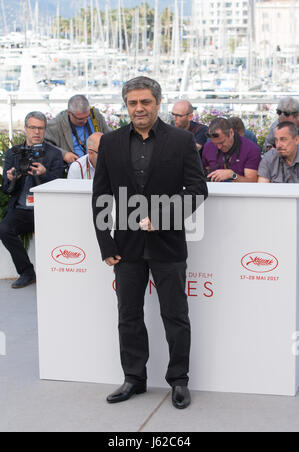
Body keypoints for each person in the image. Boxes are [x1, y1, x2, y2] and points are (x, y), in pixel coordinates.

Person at [92, 76, 208, 409]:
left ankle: (179, 381)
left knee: (175, 314)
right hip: (125, 247)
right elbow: (101, 194)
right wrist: (105, 242)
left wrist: (164, 215)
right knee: (128, 314)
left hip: (168, 244)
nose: (139, 108)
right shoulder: (111, 143)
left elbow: (198, 190)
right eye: (133, 103)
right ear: (126, 105)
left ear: (157, 102)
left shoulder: (182, 140)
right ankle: (134, 379)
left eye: (145, 102)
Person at [0, 112, 64, 289]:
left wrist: (44, 174)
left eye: (40, 128)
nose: (37, 131)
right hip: (20, 209)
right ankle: (27, 272)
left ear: (45, 130)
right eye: (33, 127)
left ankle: (56, 272)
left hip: (45, 209)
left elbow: (58, 183)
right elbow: (6, 189)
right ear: (25, 129)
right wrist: (12, 178)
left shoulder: (53, 154)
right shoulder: (14, 153)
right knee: (4, 229)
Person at [45, 94, 110, 164]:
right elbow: (44, 144)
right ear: (69, 113)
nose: (85, 121)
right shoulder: (57, 124)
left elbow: (109, 136)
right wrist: (63, 154)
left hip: (98, 164)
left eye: (87, 117)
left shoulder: (94, 115)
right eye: (80, 119)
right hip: (73, 167)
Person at [202, 117, 261, 182]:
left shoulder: (251, 149)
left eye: (222, 142)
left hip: (240, 191)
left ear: (231, 132)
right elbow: (205, 172)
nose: (219, 147)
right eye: (215, 144)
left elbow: (252, 182)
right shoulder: (208, 147)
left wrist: (232, 175)